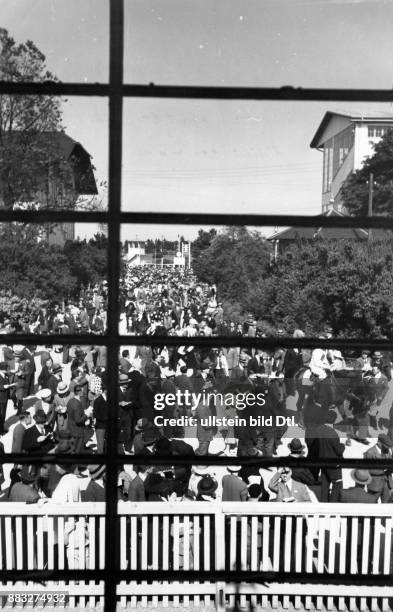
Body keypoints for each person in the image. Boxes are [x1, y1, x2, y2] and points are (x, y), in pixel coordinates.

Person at [363, 433, 393, 503]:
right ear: (379, 442)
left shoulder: (387, 451)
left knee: (387, 508)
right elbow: (367, 470)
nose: (387, 448)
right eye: (385, 446)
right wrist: (384, 469)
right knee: (372, 508)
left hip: (387, 485)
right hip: (374, 485)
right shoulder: (370, 453)